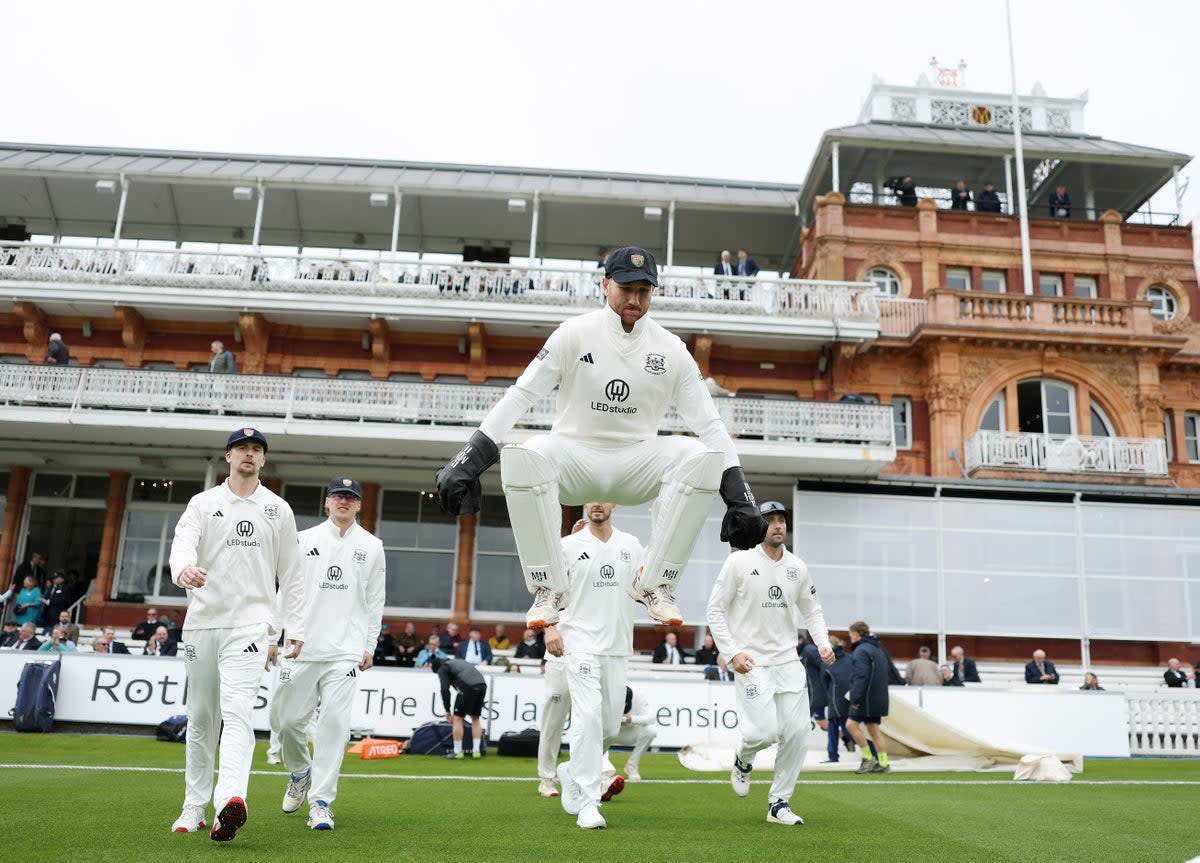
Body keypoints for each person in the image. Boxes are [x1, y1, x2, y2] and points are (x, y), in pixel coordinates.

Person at [435, 246, 767, 630]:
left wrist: (741, 497)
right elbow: (522, 394)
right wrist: (469, 459)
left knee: (698, 455)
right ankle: (549, 588)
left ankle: (656, 584)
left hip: (637, 463)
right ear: (606, 284)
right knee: (524, 455)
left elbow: (710, 425)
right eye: (626, 288)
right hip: (574, 459)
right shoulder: (574, 334)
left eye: (644, 290)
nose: (634, 299)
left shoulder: (671, 349)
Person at [167, 427, 307, 841]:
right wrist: (183, 570)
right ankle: (193, 805)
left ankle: (231, 800)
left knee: (239, 713)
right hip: (203, 623)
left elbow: (293, 575)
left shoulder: (278, 509)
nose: (249, 454)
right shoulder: (203, 502)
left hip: (250, 627)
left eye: (257, 450)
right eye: (242, 448)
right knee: (201, 719)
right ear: (228, 456)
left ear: (263, 461)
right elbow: (182, 544)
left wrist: (292, 628)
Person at [707, 500, 832, 827]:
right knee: (763, 731)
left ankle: (779, 803)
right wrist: (732, 653)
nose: (777, 525)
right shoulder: (739, 562)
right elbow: (715, 611)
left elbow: (812, 611)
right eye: (769, 520)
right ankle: (744, 759)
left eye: (781, 520)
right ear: (759, 525)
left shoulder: (797, 568)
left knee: (796, 735)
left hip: (788, 662)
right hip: (751, 662)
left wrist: (823, 642)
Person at [271, 476, 385, 832]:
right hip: (302, 647)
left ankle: (321, 803)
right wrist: (274, 636)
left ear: (359, 505)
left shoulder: (372, 546)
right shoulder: (303, 540)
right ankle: (300, 772)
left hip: (345, 652)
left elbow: (375, 600)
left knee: (334, 728)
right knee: (286, 722)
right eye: (338, 496)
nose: (343, 502)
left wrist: (369, 645)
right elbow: (286, 590)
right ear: (327, 502)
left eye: (350, 497)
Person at [542, 501, 643, 829]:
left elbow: (644, 588)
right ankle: (589, 801)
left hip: (616, 648)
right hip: (580, 645)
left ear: (614, 502)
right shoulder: (566, 546)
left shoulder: (631, 545)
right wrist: (549, 626)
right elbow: (547, 592)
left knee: (611, 728)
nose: (597, 504)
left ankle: (572, 769)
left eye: (603, 497)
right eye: (590, 498)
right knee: (587, 717)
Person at [846, 621, 891, 774]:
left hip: (865, 698)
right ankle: (884, 763)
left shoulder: (861, 651)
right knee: (874, 730)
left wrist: (856, 699)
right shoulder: (878, 649)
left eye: (850, 634)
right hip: (878, 697)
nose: (850, 637)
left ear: (856, 634)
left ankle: (868, 759)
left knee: (850, 725)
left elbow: (861, 677)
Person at [435, 657, 487, 760]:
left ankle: (457, 752)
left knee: (458, 718)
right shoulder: (458, 661)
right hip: (482, 685)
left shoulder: (443, 668)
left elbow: (445, 690)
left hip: (468, 687)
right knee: (475, 718)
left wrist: (447, 710)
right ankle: (476, 752)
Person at [602, 685, 657, 784]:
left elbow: (651, 718)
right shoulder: (605, 695)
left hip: (628, 733)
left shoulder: (638, 694)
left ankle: (632, 766)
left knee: (651, 731)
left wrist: (631, 719)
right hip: (607, 732)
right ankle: (603, 769)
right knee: (597, 733)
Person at [820, 635, 855, 763]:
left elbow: (823, 680)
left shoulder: (827, 662)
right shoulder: (851, 658)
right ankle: (870, 752)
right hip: (852, 697)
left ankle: (833, 756)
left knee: (834, 728)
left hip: (835, 699)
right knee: (852, 726)